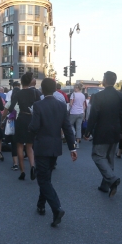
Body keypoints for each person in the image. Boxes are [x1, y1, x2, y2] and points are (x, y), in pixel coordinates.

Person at [29, 78, 77, 227]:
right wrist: (72, 147)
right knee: (46, 177)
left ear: (42, 90)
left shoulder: (38, 105)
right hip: (55, 146)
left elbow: (34, 126)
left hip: (42, 146)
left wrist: (30, 126)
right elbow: (67, 128)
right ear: (55, 89)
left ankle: (56, 208)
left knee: (43, 179)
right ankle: (41, 205)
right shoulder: (61, 105)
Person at [84, 71, 122, 198]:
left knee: (98, 155)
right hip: (115, 130)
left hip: (102, 130)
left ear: (105, 80)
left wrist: (88, 130)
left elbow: (93, 115)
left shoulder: (98, 97)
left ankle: (112, 179)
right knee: (109, 157)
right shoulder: (120, 96)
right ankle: (105, 185)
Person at [2, 72, 40, 180]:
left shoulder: (18, 93)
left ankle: (22, 171)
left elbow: (11, 107)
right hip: (31, 119)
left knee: (19, 145)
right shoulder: (35, 93)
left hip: (21, 118)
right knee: (29, 145)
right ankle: (32, 166)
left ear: (21, 83)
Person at [69, 83, 86, 148]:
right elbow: (84, 105)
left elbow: (71, 104)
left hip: (73, 112)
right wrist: (83, 112)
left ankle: (74, 133)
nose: (74, 88)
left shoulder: (73, 94)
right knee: (79, 127)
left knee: (70, 124)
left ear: (77, 88)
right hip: (81, 112)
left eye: (74, 87)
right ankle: (77, 143)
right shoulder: (83, 95)